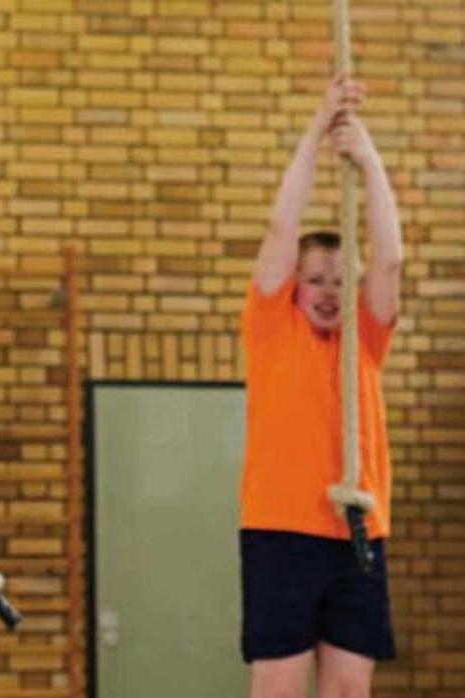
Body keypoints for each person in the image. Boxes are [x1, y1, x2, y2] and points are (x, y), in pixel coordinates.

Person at [241, 74, 403, 698]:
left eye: (341, 281)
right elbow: (281, 231)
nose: (329, 293)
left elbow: (388, 261)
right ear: (294, 289)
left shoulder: (365, 339)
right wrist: (316, 131)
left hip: (359, 528)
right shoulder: (271, 329)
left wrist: (368, 162)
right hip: (283, 528)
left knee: (347, 690)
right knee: (279, 688)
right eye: (316, 281)